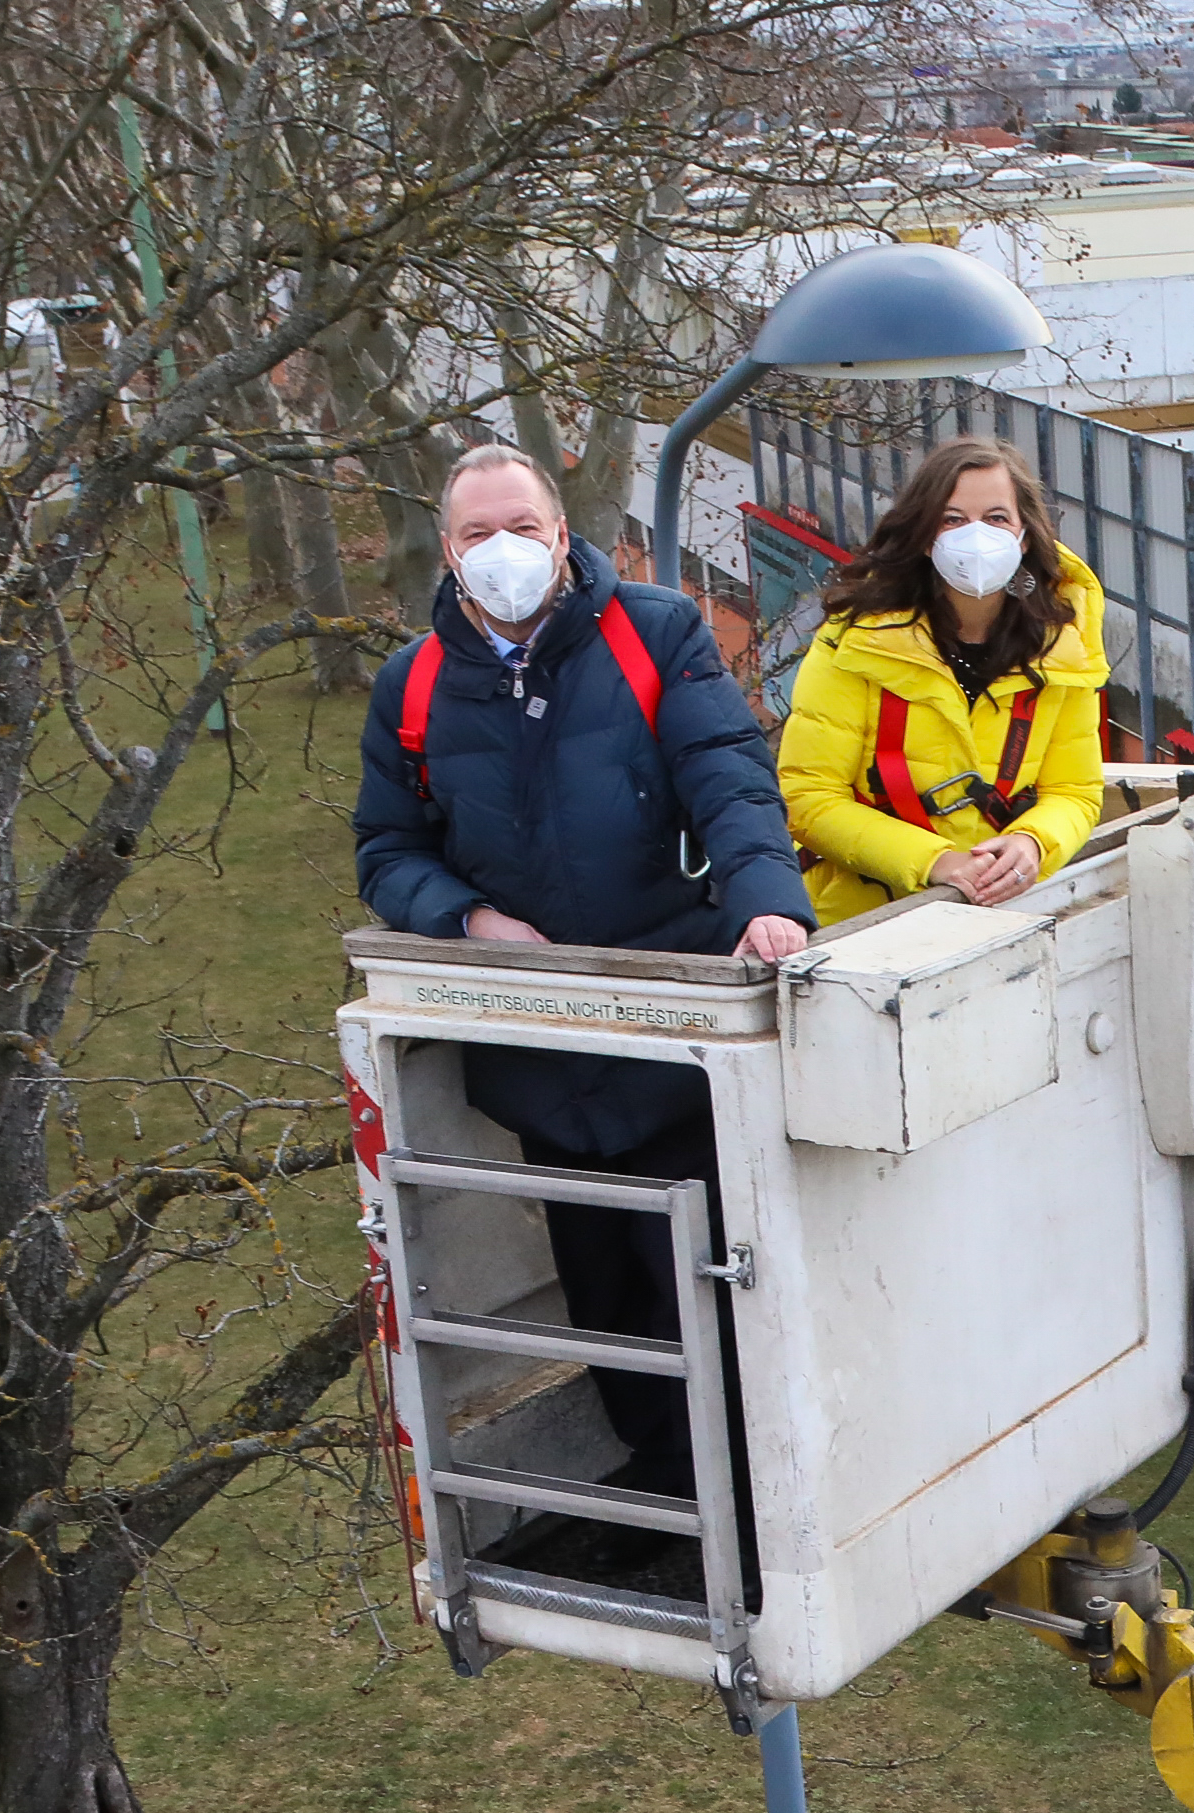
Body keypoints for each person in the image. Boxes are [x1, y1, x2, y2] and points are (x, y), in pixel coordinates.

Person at [352, 446, 810, 1554]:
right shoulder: (415, 686)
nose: (503, 550)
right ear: (449, 550)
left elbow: (731, 778)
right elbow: (387, 848)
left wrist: (768, 903)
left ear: (562, 534)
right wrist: (468, 920)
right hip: (546, 1052)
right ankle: (669, 1509)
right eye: (477, 533)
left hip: (675, 1041)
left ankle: (763, 1523)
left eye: (523, 525)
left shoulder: (655, 633)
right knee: (610, 1308)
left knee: (712, 1289)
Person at [779, 437, 1109, 920]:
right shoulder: (855, 641)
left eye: (996, 518)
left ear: (1024, 536)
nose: (975, 536)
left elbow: (1074, 791)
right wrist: (935, 862)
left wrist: (1033, 841)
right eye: (953, 519)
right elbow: (809, 798)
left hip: (1004, 915)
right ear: (927, 535)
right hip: (861, 920)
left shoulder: (1063, 647)